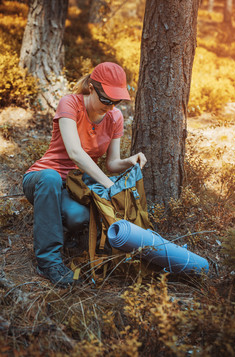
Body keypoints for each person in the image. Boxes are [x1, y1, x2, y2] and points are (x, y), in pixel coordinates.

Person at [23, 62, 147, 287]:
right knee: (51, 178)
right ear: (91, 87)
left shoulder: (114, 118)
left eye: (116, 102)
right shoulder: (70, 103)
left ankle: (58, 226)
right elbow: (75, 152)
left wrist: (129, 161)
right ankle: (48, 262)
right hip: (41, 179)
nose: (110, 107)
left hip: (76, 187)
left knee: (78, 217)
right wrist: (109, 185)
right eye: (106, 100)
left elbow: (111, 163)